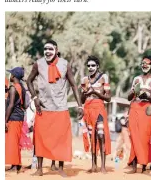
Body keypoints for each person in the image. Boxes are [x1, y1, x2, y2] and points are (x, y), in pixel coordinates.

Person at [26, 40, 83, 177]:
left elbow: (74, 85)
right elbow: (28, 81)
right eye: (45, 49)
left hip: (61, 108)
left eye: (50, 49)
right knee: (40, 138)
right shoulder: (38, 64)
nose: (47, 52)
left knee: (62, 139)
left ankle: (60, 168)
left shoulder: (65, 64)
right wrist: (34, 98)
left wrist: (80, 105)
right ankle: (39, 169)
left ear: (56, 50)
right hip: (43, 108)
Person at [127, 56, 151, 174]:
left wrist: (148, 97)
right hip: (134, 108)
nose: (144, 65)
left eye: (147, 64)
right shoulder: (136, 79)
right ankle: (134, 167)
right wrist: (133, 92)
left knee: (144, 137)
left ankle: (144, 167)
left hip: (146, 110)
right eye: (142, 63)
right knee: (134, 136)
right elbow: (129, 97)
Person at [80, 55, 111, 174]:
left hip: (99, 108)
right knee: (92, 136)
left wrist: (95, 93)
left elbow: (108, 98)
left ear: (97, 66)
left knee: (101, 135)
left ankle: (103, 166)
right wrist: (85, 92)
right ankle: (93, 165)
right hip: (88, 109)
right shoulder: (84, 80)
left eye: (93, 65)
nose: (90, 67)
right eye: (88, 66)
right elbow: (82, 100)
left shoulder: (104, 77)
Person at [6, 67, 27, 174]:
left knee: (12, 142)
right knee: (15, 141)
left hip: (13, 117)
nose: (9, 76)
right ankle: (16, 165)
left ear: (13, 76)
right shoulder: (21, 87)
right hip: (19, 116)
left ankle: (14, 167)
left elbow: (10, 106)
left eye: (10, 74)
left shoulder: (13, 88)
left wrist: (5, 120)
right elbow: (24, 105)